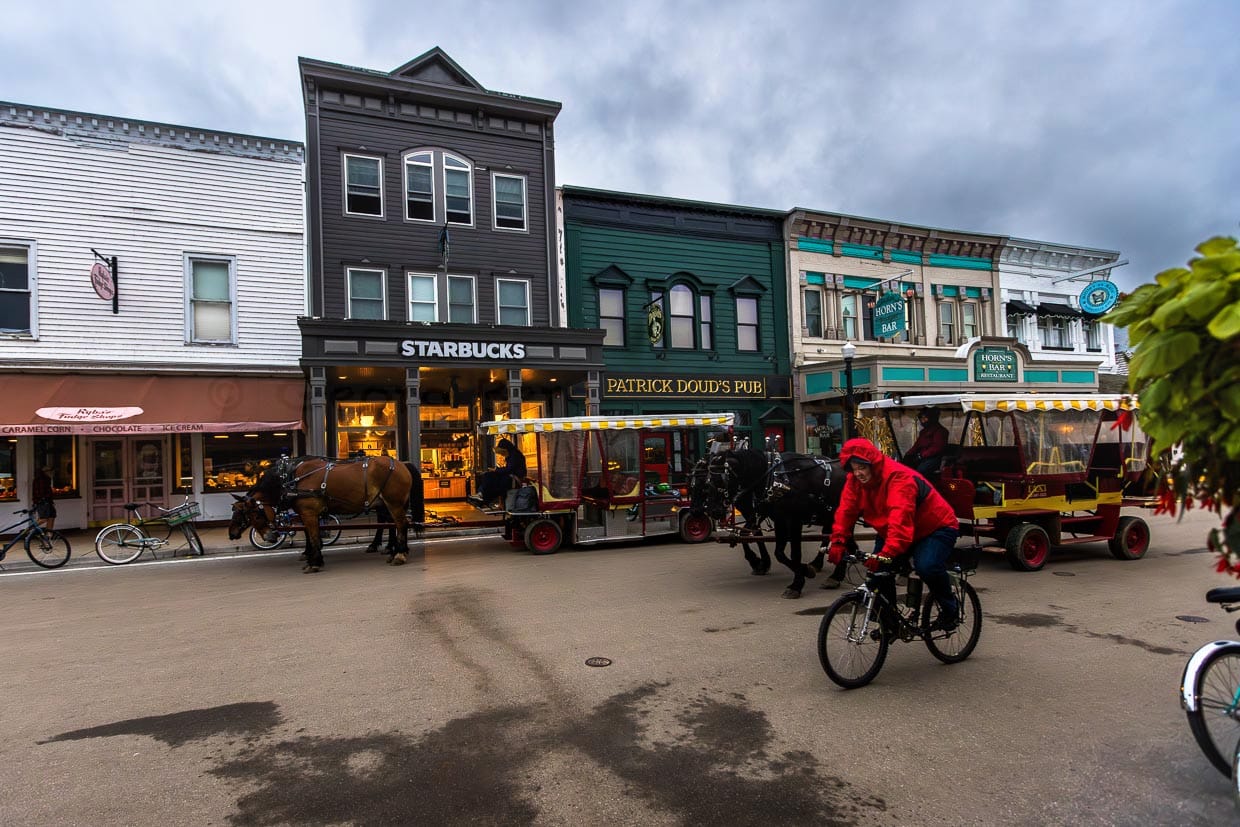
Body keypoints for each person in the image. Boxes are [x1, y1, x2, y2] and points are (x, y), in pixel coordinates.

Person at [826, 438, 961, 630]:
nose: (858, 474)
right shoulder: (854, 481)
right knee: (879, 573)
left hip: (935, 527)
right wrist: (838, 541)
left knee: (927, 567)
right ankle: (889, 621)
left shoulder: (898, 478)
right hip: (891, 530)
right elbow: (846, 511)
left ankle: (950, 610)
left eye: (861, 468)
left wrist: (887, 553)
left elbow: (901, 517)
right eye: (853, 469)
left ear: (872, 463)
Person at [467, 438, 527, 509]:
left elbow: (509, 469)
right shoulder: (513, 454)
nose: (502, 454)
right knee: (489, 477)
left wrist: (496, 470)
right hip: (511, 478)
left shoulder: (515, 456)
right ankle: (481, 495)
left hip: (514, 479)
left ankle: (482, 497)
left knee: (490, 478)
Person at [901, 407, 949, 476]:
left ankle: (919, 485)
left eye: (925, 418)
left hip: (934, 459)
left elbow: (937, 447)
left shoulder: (941, 431)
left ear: (932, 418)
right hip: (922, 457)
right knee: (904, 467)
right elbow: (917, 445)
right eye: (921, 418)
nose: (922, 420)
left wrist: (922, 455)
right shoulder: (923, 432)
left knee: (920, 471)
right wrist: (908, 455)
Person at [31, 465, 56, 532]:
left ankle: (49, 535)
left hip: (46, 501)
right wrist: (46, 498)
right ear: (46, 472)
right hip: (43, 502)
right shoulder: (42, 479)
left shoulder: (45, 478)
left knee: (52, 517)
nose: (52, 473)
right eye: (51, 471)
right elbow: (42, 492)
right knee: (44, 518)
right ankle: (28, 530)